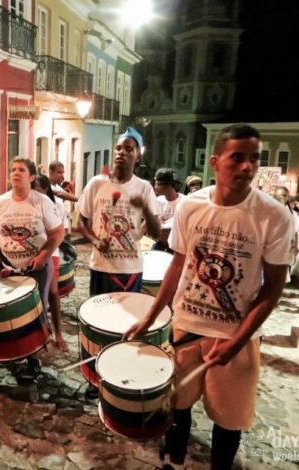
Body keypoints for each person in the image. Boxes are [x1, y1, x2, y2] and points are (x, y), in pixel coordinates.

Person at [125, 124, 295, 470]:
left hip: (237, 336)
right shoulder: (192, 206)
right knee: (178, 406)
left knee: (228, 421)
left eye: (254, 159)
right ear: (216, 162)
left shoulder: (275, 216)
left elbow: (274, 286)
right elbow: (178, 265)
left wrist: (238, 340)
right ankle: (173, 462)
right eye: (237, 158)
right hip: (187, 328)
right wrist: (152, 316)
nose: (247, 167)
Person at [76, 127, 160, 399]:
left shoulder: (144, 188)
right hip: (101, 266)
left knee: (125, 327)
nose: (122, 153)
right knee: (98, 325)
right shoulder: (96, 184)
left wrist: (144, 207)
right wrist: (93, 239)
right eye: (119, 148)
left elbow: (157, 233)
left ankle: (120, 375)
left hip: (130, 269)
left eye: (129, 149)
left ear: (138, 155)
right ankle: (94, 378)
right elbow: (82, 223)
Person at [0, 157, 64, 379]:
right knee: (9, 308)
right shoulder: (0, 203)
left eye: (21, 170)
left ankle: (33, 358)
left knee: (33, 312)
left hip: (37, 268)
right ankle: (13, 350)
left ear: (31, 177)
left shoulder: (42, 202)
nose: (15, 173)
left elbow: (58, 233)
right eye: (12, 169)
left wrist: (43, 255)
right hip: (7, 264)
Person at [34, 174, 69, 351]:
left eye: (37, 189)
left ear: (45, 189)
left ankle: (58, 332)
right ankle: (39, 335)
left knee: (53, 292)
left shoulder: (57, 205)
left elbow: (64, 230)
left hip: (51, 252)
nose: (34, 192)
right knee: (36, 297)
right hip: (30, 255)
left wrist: (48, 246)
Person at [153, 168, 184, 252]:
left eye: (158, 184)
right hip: (161, 243)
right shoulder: (158, 200)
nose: (155, 187)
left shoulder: (184, 202)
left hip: (178, 246)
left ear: (168, 185)